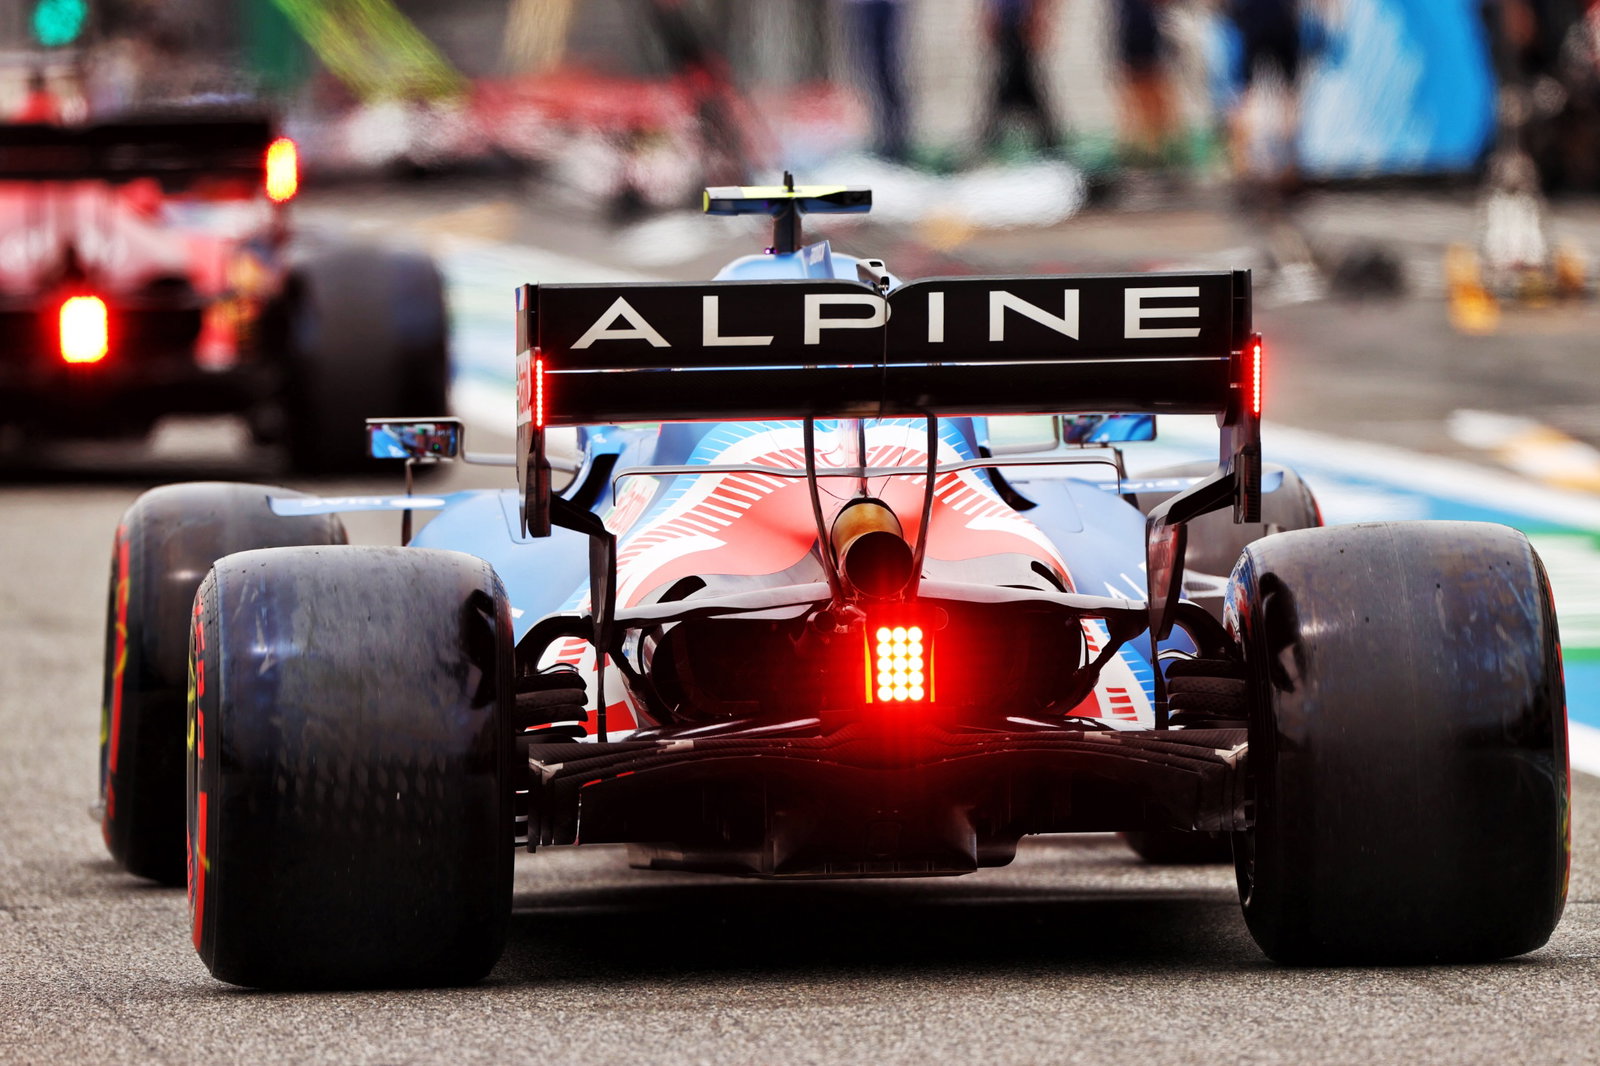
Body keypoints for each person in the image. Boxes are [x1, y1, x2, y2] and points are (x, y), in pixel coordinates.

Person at [980, 0, 1060, 157]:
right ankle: (1050, 144)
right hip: (1007, 22)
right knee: (1009, 85)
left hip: (1024, 22)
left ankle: (1051, 144)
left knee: (1016, 85)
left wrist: (1040, 15)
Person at [843, 0, 911, 162]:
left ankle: (895, 141)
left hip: (886, 6)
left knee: (888, 73)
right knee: (869, 72)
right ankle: (880, 137)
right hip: (863, 6)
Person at [1113, 0, 1177, 169]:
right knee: (1141, 91)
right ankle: (1147, 145)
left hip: (1141, 35)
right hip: (1135, 35)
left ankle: (1153, 145)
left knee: (1149, 90)